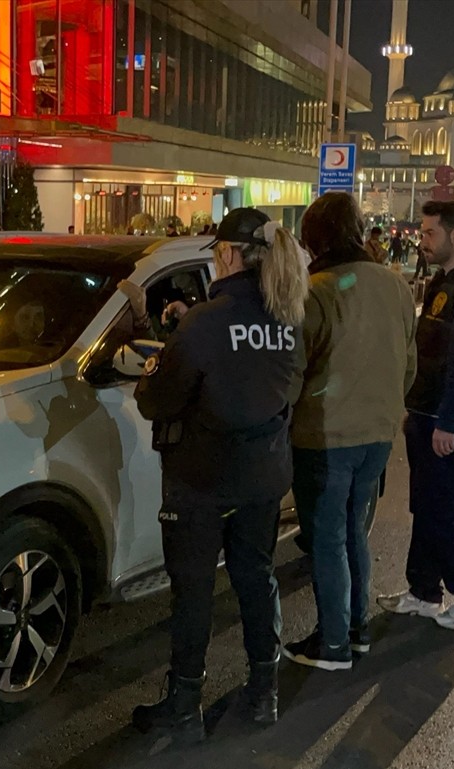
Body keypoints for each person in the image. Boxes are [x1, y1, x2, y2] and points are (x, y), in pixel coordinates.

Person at [130, 208, 309, 742]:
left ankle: (185, 705)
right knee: (256, 577)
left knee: (194, 589)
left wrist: (154, 359)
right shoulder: (288, 316)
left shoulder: (205, 322)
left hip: (201, 478)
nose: (213, 258)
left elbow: (157, 400)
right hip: (263, 473)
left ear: (230, 254)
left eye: (215, 251)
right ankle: (264, 692)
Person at [284, 193, 417, 671]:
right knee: (355, 531)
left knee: (325, 537)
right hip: (378, 434)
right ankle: (357, 631)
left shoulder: (315, 290)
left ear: (312, 239)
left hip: (324, 435)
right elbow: (409, 364)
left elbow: (295, 369)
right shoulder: (395, 285)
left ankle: (334, 643)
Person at [378, 201, 454, 630]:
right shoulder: (443, 282)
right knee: (427, 506)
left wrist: (449, 420)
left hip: (448, 421)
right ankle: (424, 590)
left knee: (447, 509)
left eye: (430, 233)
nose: (422, 241)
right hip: (425, 412)